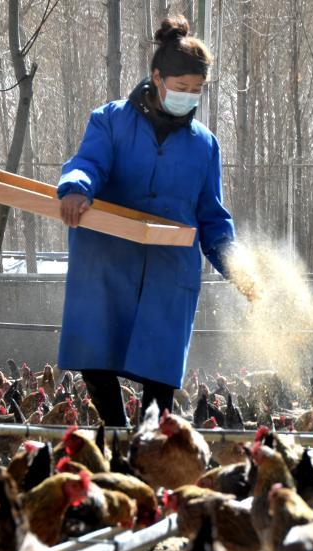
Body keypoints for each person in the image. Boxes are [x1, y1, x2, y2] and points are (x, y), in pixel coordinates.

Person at [56, 15, 253, 428]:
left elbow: (212, 216)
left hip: (167, 272)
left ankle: (146, 453)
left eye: (196, 91)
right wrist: (75, 188)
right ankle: (115, 435)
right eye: (181, 88)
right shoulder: (110, 120)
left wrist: (238, 268)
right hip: (109, 262)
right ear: (157, 78)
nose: (188, 97)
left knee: (159, 380)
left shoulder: (204, 145)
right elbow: (88, 163)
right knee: (96, 358)